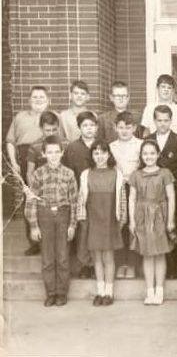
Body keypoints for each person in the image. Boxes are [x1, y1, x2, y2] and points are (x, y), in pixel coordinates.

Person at [25, 136, 78, 307]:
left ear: (62, 153)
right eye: (50, 152)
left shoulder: (69, 174)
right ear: (43, 153)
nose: (54, 155)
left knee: (62, 257)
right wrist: (34, 226)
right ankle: (51, 293)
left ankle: (62, 293)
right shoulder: (38, 174)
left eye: (57, 152)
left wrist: (72, 224)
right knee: (48, 258)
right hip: (44, 215)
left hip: (63, 215)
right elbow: (32, 200)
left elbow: (74, 201)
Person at [77, 140, 126, 306]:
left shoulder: (116, 173)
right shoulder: (86, 174)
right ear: (92, 156)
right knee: (96, 257)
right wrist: (83, 220)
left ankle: (109, 292)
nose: (100, 157)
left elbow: (122, 199)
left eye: (103, 153)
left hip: (110, 218)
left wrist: (121, 219)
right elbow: (81, 199)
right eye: (96, 153)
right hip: (93, 218)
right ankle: (100, 291)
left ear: (109, 154)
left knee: (108, 256)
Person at [128, 140, 176, 305]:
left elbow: (171, 197)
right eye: (145, 153)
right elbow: (132, 198)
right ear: (141, 156)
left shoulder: (165, 173)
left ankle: (159, 290)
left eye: (152, 153)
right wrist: (132, 221)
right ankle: (150, 291)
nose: (149, 156)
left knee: (160, 253)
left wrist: (170, 219)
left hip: (160, 215)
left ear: (157, 154)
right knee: (147, 254)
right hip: (142, 216)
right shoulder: (136, 175)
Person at [6, 85, 50, 256]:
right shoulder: (20, 117)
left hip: (48, 157)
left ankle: (48, 240)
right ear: (29, 100)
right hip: (26, 160)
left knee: (48, 199)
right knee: (30, 200)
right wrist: (14, 162)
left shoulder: (54, 117)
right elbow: (10, 141)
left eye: (42, 97)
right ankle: (34, 243)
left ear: (48, 101)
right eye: (35, 97)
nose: (38, 100)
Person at [145, 105, 177, 279]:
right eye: (159, 120)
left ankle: (173, 267)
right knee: (155, 227)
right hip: (152, 192)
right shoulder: (148, 139)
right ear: (154, 121)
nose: (162, 124)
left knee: (171, 226)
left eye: (166, 120)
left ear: (171, 121)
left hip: (173, 190)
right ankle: (155, 265)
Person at [62, 111, 98, 279]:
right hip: (80, 195)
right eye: (85, 126)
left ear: (96, 127)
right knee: (83, 229)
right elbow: (68, 172)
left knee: (97, 229)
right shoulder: (72, 148)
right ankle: (85, 264)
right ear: (79, 128)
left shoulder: (103, 145)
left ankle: (96, 263)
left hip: (99, 194)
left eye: (92, 125)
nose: (89, 129)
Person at [109, 111, 143, 279]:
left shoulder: (140, 144)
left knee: (134, 226)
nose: (124, 131)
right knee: (120, 225)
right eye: (120, 127)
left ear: (134, 128)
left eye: (128, 128)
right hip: (118, 190)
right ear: (115, 128)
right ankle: (121, 263)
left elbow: (143, 166)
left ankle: (133, 264)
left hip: (136, 189)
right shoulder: (111, 146)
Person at [27, 111, 67, 183]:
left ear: (58, 127)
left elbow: (71, 169)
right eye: (47, 130)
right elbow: (30, 173)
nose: (51, 133)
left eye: (54, 130)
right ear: (41, 128)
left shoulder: (66, 144)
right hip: (42, 185)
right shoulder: (34, 146)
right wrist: (33, 192)